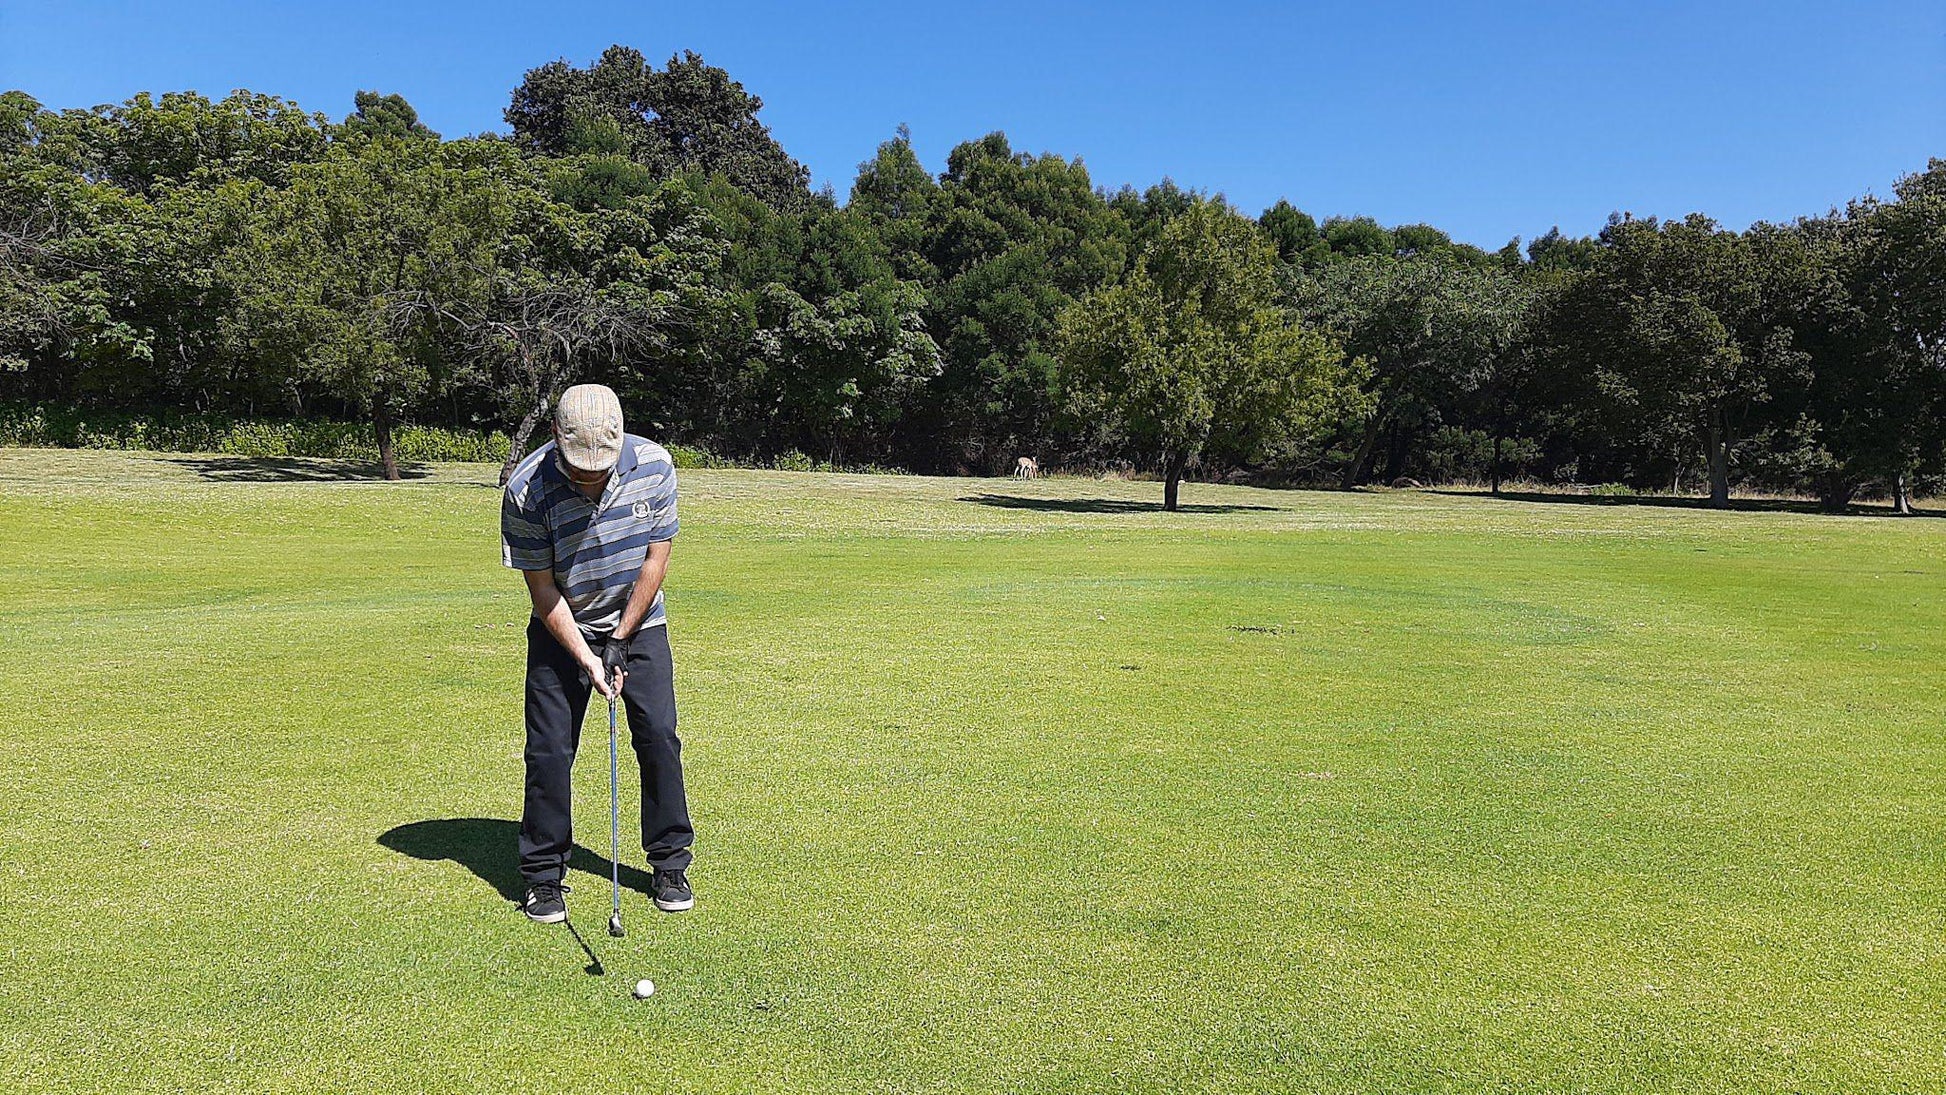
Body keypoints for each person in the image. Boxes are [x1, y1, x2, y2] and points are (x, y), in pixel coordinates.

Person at [499, 383, 694, 923]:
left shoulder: (654, 466)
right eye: (580, 465)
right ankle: (542, 876)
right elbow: (542, 592)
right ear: (556, 440)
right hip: (561, 630)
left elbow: (657, 558)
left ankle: (670, 861)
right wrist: (587, 657)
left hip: (640, 623)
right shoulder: (525, 490)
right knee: (549, 753)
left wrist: (620, 640)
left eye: (600, 467)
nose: (591, 475)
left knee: (658, 737)